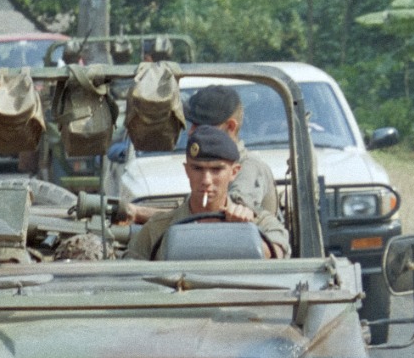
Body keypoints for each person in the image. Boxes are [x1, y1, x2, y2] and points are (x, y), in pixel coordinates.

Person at [125, 126, 291, 261]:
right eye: (197, 169)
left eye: (216, 169)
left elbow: (277, 252)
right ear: (187, 170)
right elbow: (129, 277)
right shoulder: (158, 228)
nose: (206, 180)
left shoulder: (259, 222)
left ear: (234, 172)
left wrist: (243, 232)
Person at [185, 84, 279, 216]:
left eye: (201, 126)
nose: (191, 132)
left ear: (230, 127)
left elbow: (222, 214)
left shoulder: (249, 168)